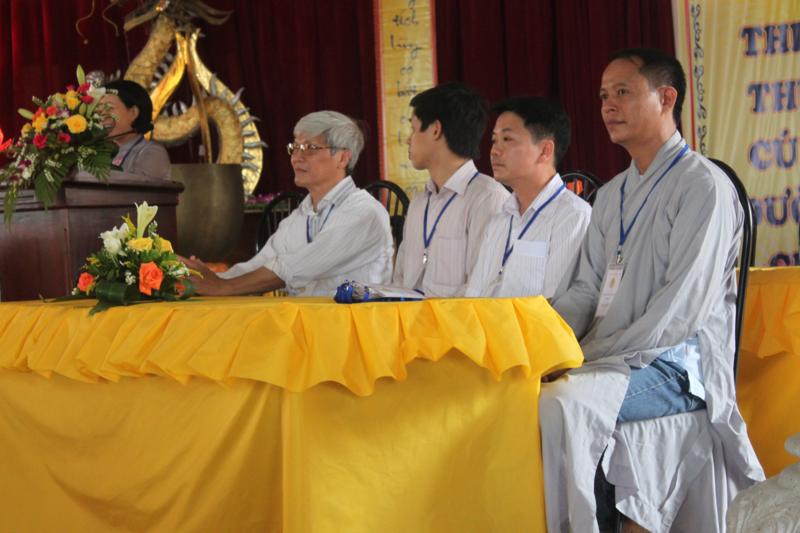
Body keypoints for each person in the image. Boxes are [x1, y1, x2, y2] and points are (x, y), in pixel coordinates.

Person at [540, 48, 764, 532]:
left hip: (675, 364)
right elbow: (584, 290)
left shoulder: (703, 185)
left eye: (623, 92)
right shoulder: (611, 195)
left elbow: (680, 310)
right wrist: (546, 346)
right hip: (609, 358)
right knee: (525, 394)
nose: (608, 105)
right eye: (603, 95)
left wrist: (588, 357)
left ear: (666, 98)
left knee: (563, 405)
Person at [184, 110, 393, 297]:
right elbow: (258, 265)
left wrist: (222, 287)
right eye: (295, 147)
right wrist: (206, 279)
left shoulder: (364, 212)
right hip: (308, 321)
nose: (296, 158)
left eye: (310, 148)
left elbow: (297, 267)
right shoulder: (300, 216)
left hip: (352, 324)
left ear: (343, 158)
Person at [465, 96, 590, 298]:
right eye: (494, 140)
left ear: (545, 151)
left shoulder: (573, 217)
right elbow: (473, 296)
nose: (494, 151)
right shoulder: (500, 219)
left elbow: (555, 307)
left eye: (507, 139)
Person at [392, 82, 509, 297]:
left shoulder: (488, 199)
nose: (408, 139)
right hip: (409, 317)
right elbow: (400, 278)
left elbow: (480, 289)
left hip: (453, 319)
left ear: (436, 130)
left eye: (414, 129)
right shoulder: (420, 201)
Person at [101, 79, 170, 180]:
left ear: (133, 113)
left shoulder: (152, 152)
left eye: (109, 107)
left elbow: (137, 188)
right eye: (98, 110)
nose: (102, 115)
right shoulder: (101, 152)